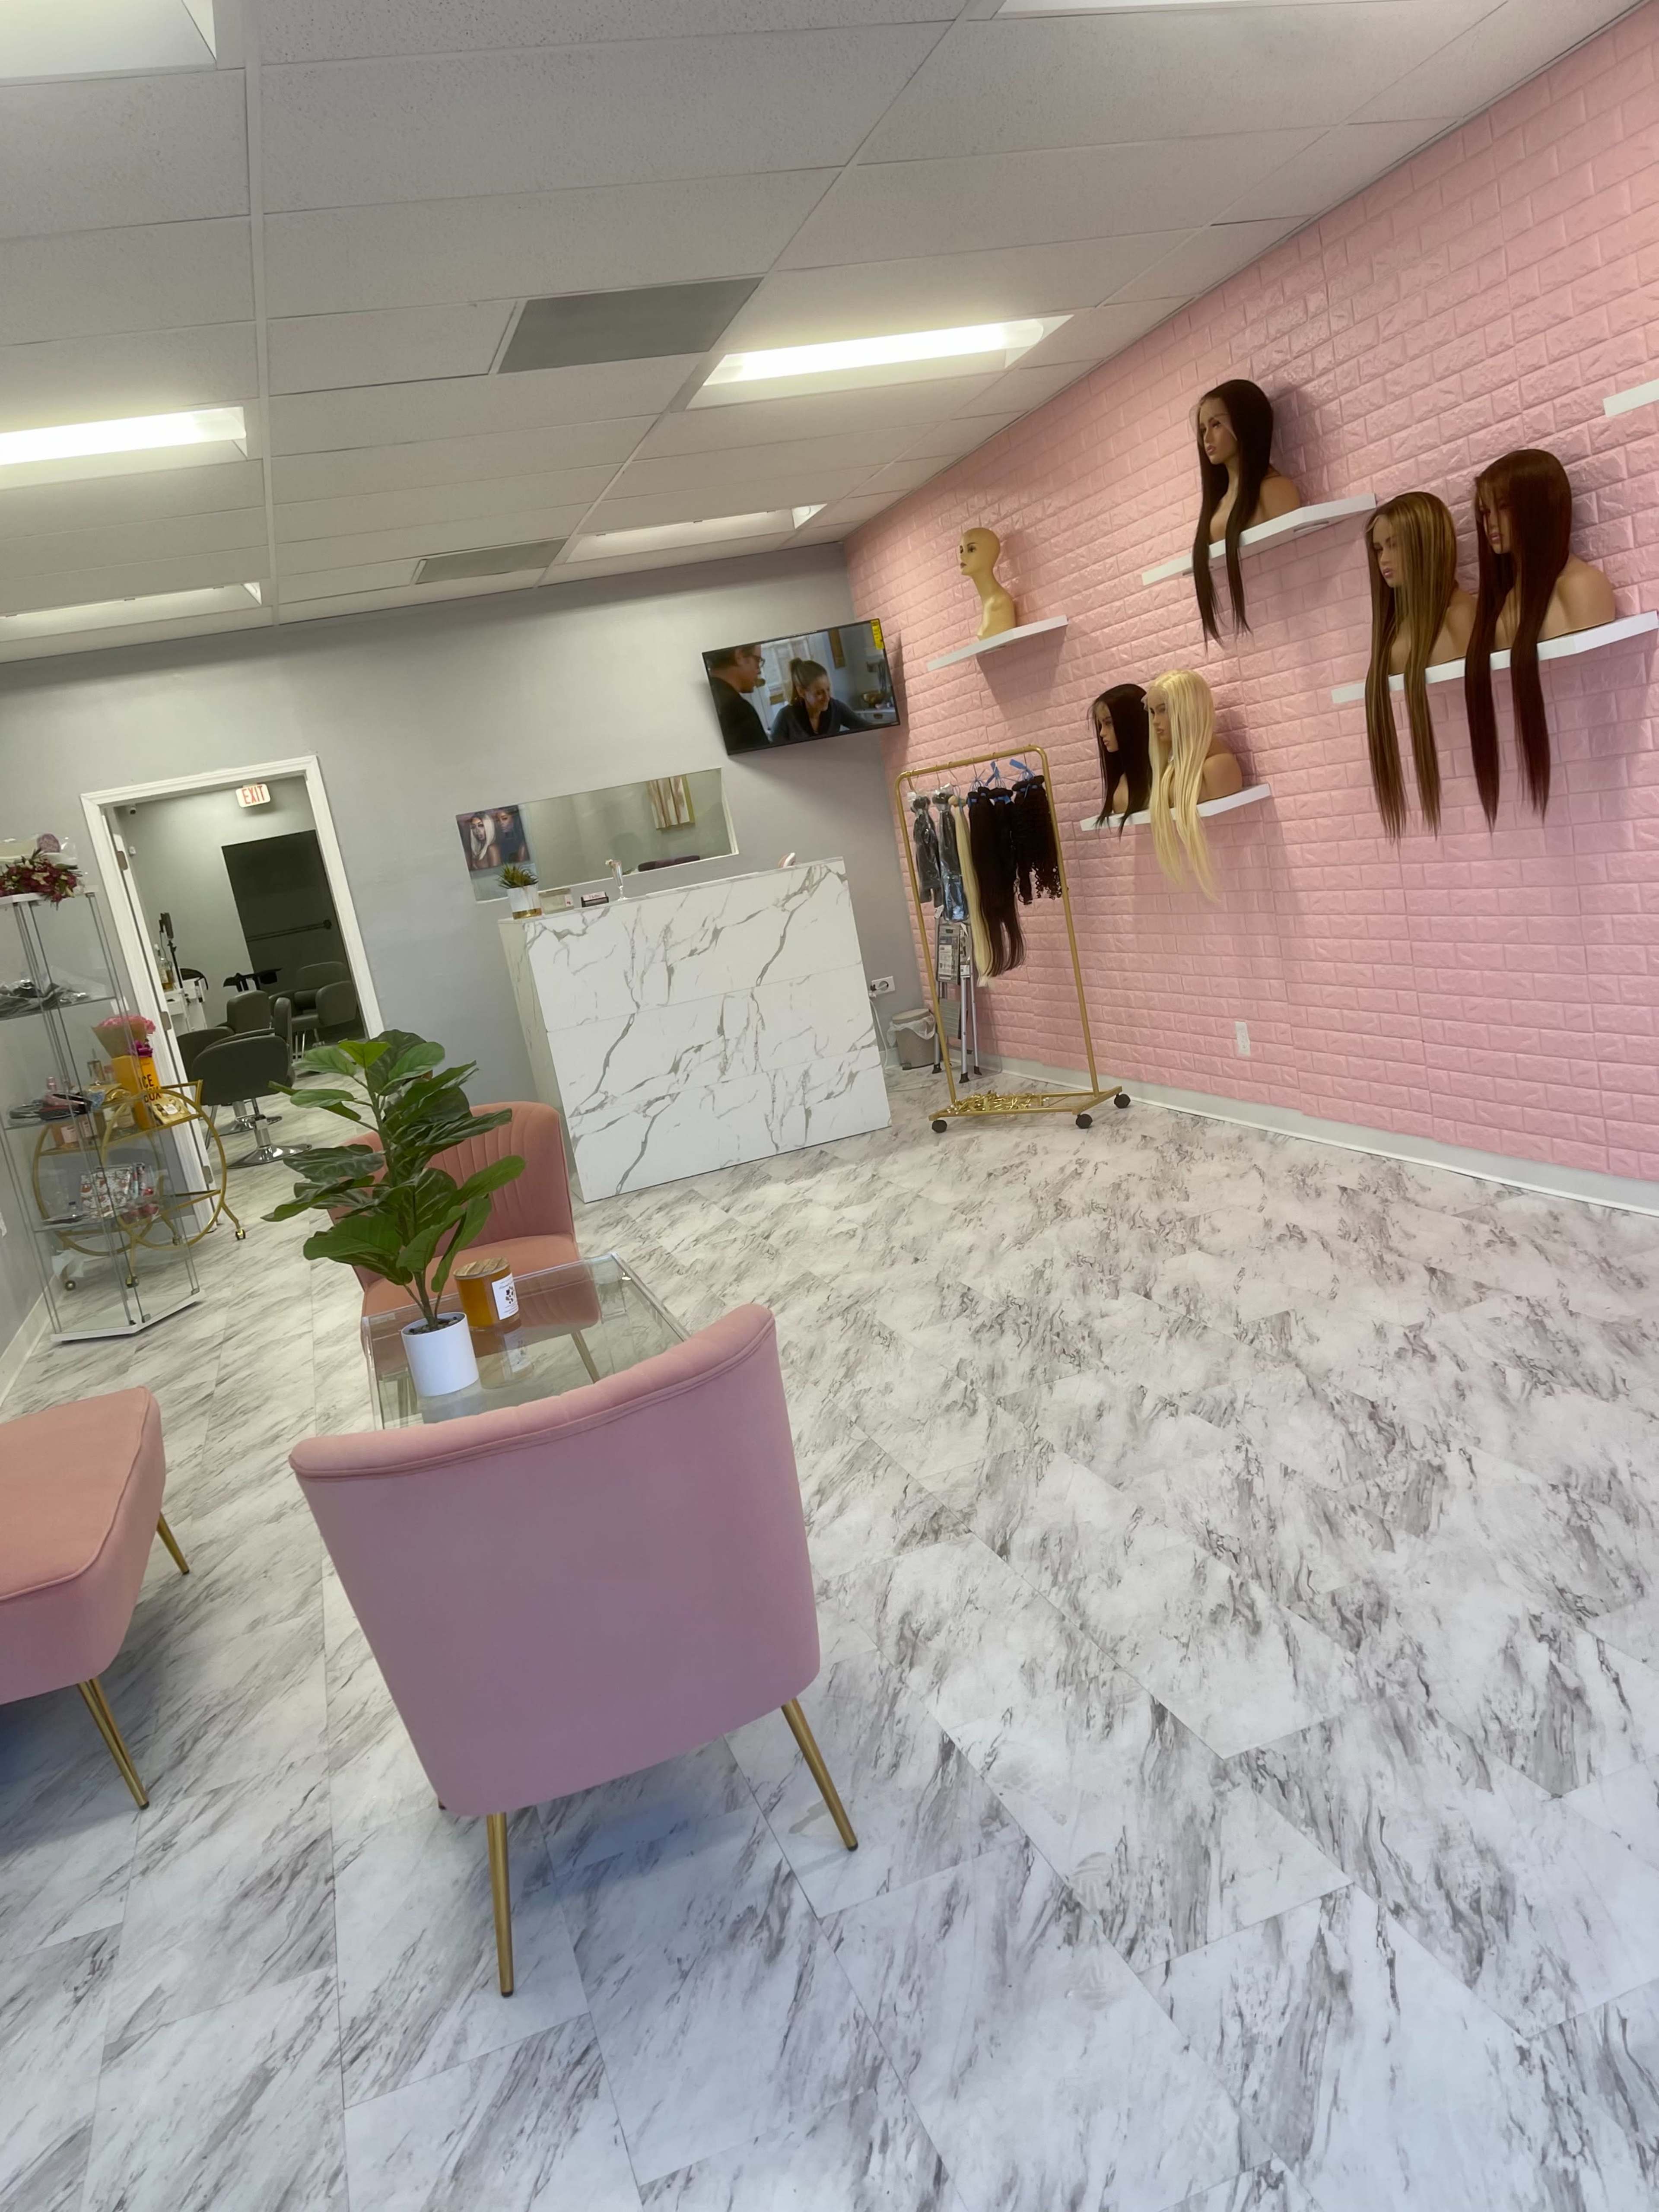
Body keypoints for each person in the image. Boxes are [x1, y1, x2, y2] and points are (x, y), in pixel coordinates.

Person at [769, 659, 874, 744]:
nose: (827, 698)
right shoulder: (786, 717)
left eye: (828, 690)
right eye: (819, 693)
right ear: (802, 692)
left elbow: (869, 729)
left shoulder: (836, 708)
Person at [705, 643, 769, 753]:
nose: (759, 671)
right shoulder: (739, 711)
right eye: (757, 661)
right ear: (740, 656)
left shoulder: (704, 697)